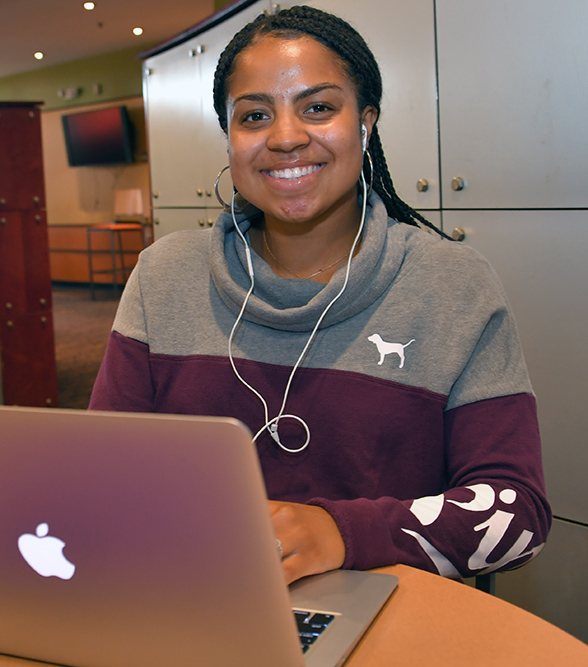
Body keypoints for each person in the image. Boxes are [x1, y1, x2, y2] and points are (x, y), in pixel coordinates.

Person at [90, 5, 551, 584]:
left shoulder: (453, 285)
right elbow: (105, 470)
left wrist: (342, 533)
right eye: (254, 115)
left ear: (366, 124)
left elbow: (516, 514)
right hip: (197, 594)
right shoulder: (163, 277)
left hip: (396, 614)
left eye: (318, 108)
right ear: (230, 139)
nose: (285, 138)